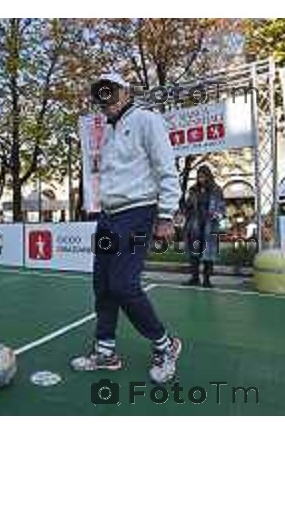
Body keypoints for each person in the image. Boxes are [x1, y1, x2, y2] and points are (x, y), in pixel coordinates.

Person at [70, 73, 182, 384]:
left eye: (112, 91)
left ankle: (166, 345)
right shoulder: (106, 132)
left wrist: (166, 215)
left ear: (126, 91)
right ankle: (105, 351)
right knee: (103, 284)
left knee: (123, 284)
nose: (106, 99)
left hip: (138, 214)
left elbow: (166, 169)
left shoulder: (148, 120)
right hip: (108, 217)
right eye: (101, 95)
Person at [182, 165, 225, 288]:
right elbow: (187, 207)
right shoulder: (193, 189)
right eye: (199, 176)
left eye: (203, 176)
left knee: (208, 253)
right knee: (194, 253)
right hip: (195, 225)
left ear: (208, 176)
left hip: (210, 225)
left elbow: (222, 206)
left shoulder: (216, 190)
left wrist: (219, 214)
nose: (201, 179)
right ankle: (194, 278)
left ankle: (207, 280)